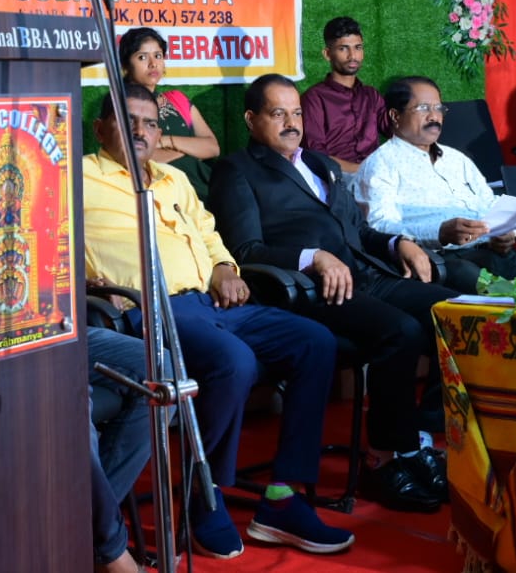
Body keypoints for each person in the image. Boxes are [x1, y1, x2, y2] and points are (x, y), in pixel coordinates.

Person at [82, 85, 354, 559]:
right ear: (101, 128)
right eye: (129, 121)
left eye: (151, 123)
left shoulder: (173, 179)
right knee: (234, 361)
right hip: (148, 310)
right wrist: (85, 282)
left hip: (213, 301)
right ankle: (203, 494)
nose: (142, 132)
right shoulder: (78, 179)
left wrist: (225, 268)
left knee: (315, 341)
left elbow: (208, 234)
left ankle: (282, 497)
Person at [208, 74, 454, 514]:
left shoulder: (321, 164)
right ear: (251, 119)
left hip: (366, 273)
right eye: (278, 113)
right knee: (400, 331)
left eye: (296, 113)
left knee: (449, 311)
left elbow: (358, 231)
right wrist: (312, 257)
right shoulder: (237, 171)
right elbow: (246, 250)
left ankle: (416, 442)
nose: (291, 123)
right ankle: (384, 458)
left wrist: (399, 243)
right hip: (311, 288)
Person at [356, 76, 516, 291]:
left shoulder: (456, 159)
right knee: (509, 294)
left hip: (494, 253)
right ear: (395, 116)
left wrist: (506, 232)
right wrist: (439, 232)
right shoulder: (381, 164)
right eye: (423, 108)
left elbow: (489, 203)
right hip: (442, 261)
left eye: (438, 108)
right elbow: (380, 228)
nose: (434, 116)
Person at [119, 26, 219, 197]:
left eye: (158, 56)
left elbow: (212, 147)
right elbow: (133, 157)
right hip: (164, 197)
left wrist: (166, 141)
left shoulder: (176, 99)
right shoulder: (120, 104)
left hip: (207, 191)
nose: (153, 63)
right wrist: (190, 150)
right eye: (142, 57)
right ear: (125, 64)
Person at [88, 327, 151, 573]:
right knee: (67, 397)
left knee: (160, 371)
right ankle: (108, 548)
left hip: (54, 327)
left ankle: (83, 531)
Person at [300, 16, 388, 173]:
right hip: (334, 179)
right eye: (343, 48)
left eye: (358, 48)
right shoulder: (314, 98)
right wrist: (361, 171)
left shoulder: (371, 95)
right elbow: (315, 154)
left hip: (376, 177)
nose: (352, 56)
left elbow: (394, 131)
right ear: (327, 54)